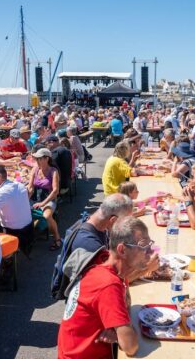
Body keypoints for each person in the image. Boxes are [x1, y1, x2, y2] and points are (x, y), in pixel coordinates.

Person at [58, 217, 152, 359]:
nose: (150, 252)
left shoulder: (110, 262)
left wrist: (118, 328)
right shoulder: (108, 284)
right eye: (144, 246)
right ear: (122, 250)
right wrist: (124, 332)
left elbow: (125, 302)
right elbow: (130, 347)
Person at [0, 164, 33, 252]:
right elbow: (12, 195)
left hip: (15, 233)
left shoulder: (3, 193)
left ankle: (4, 259)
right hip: (29, 229)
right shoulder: (18, 184)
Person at [28, 148, 61, 250]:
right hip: (35, 198)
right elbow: (31, 187)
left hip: (48, 198)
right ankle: (27, 238)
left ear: (47, 158)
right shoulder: (35, 169)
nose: (36, 161)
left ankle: (57, 238)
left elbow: (55, 191)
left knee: (47, 216)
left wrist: (43, 203)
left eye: (39, 158)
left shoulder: (53, 171)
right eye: (36, 158)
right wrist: (25, 200)